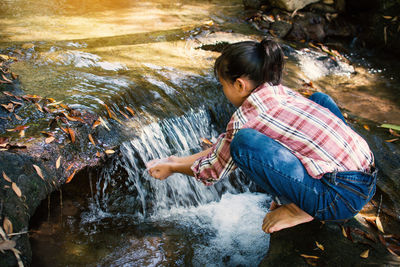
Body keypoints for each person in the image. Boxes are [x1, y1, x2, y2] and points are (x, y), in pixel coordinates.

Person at [146, 38, 377, 233]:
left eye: (222, 85)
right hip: (367, 173)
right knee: (320, 100)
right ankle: (309, 200)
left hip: (340, 199)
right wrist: (174, 160)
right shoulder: (282, 93)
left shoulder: (245, 120)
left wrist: (173, 168)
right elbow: (220, 149)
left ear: (239, 85)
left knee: (244, 143)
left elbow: (213, 169)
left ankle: (299, 209)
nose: (223, 91)